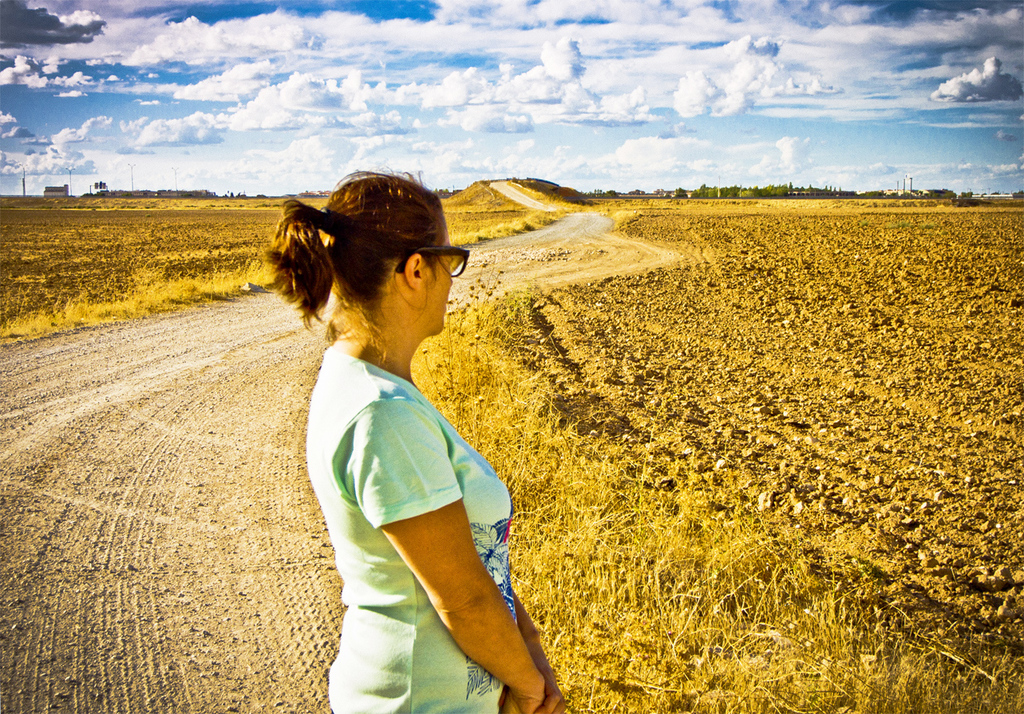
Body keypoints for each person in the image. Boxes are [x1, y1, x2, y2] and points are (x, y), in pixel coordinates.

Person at [266, 172, 564, 714]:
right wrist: (528, 686)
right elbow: (463, 598)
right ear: (415, 269)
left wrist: (529, 645)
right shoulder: (382, 414)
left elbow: (475, 564)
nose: (453, 281)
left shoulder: (372, 389)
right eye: (450, 262)